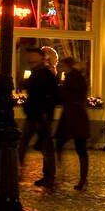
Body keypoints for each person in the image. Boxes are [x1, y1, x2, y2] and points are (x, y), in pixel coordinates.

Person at [20, 47, 61, 189]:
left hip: (41, 116)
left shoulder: (46, 74)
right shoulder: (36, 73)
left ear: (39, 58)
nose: (29, 58)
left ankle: (49, 177)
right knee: (23, 144)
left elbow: (52, 95)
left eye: (32, 55)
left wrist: (45, 111)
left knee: (46, 148)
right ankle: (19, 172)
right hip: (33, 114)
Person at [54, 58, 91, 190]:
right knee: (75, 147)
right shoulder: (77, 77)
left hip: (73, 115)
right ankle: (78, 177)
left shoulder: (73, 77)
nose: (61, 68)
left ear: (68, 66)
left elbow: (65, 94)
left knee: (77, 147)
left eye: (62, 65)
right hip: (75, 114)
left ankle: (77, 177)